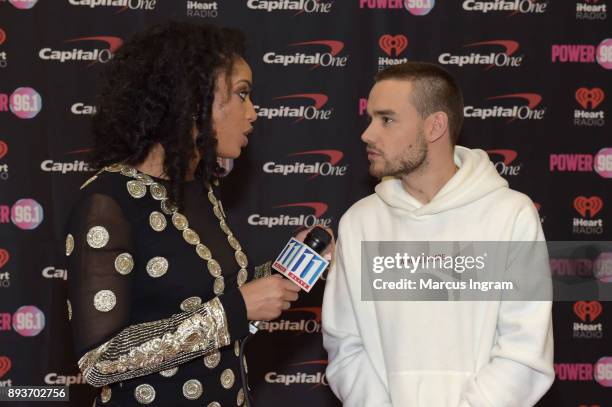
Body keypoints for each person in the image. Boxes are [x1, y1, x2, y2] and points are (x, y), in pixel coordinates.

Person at [65, 22, 301, 406]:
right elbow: (99, 361)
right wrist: (235, 312)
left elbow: (213, 294)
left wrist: (287, 267)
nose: (253, 113)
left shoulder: (201, 188)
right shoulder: (108, 201)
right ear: (194, 101)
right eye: (242, 94)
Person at [321, 62, 554, 406]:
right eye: (370, 119)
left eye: (386, 119)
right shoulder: (359, 222)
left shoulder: (510, 215)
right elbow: (346, 347)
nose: (367, 134)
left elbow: (524, 353)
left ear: (435, 126)